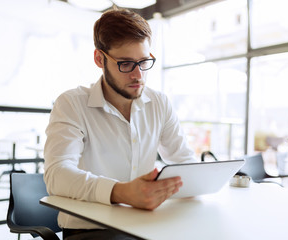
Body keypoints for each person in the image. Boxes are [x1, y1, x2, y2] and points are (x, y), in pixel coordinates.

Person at [44, 7, 197, 240]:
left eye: (144, 62)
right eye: (126, 64)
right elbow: (57, 175)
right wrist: (121, 192)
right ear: (99, 58)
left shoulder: (159, 103)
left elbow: (184, 161)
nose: (138, 75)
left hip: (145, 225)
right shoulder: (72, 104)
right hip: (90, 232)